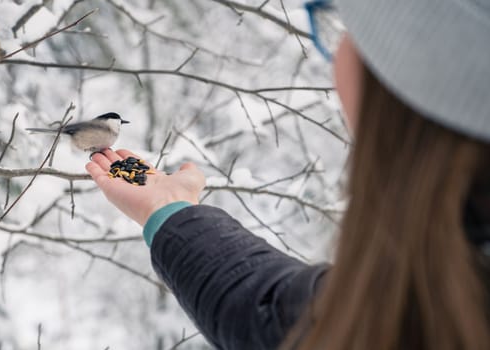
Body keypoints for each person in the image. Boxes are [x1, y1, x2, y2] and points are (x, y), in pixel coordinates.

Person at [86, 0, 490, 349]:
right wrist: (170, 212)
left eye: (341, 22)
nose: (336, 55)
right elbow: (285, 322)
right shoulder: (442, 294)